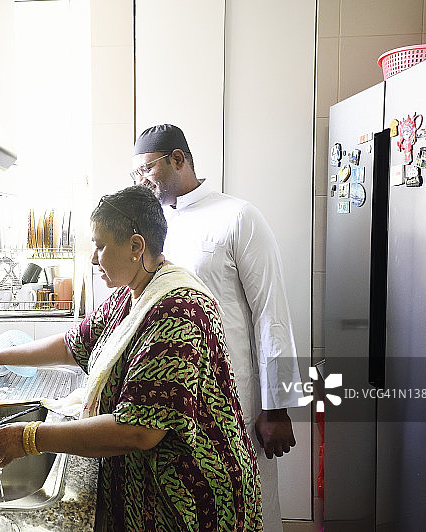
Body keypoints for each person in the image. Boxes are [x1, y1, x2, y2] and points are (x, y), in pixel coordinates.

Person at [0, 186, 262, 531]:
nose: (93, 258)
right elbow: (71, 344)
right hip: (152, 496)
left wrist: (30, 438)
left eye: (100, 245)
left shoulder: (177, 311)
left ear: (136, 246)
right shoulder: (131, 294)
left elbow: (139, 431)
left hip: (193, 499)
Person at [131, 124, 304, 532]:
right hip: (181, 402)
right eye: (135, 174)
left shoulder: (238, 216)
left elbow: (271, 312)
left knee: (251, 507)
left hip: (239, 399)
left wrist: (276, 407)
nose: (142, 182)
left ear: (179, 160)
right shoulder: (158, 231)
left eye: (147, 170)